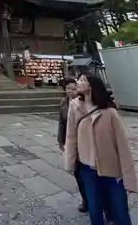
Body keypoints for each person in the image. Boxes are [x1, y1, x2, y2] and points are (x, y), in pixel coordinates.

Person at [65, 73, 137, 225]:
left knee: (120, 209)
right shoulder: (74, 107)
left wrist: (129, 178)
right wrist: (70, 162)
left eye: (82, 79)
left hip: (112, 169)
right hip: (87, 168)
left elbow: (122, 146)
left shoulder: (109, 112)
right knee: (95, 208)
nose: (78, 82)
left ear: (92, 85)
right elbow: (71, 136)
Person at [57, 77, 88, 213]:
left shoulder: (85, 103)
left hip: (85, 142)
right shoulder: (64, 103)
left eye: (73, 89)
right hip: (72, 143)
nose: (70, 92)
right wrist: (61, 140)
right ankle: (85, 199)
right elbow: (61, 122)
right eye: (68, 89)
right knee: (77, 174)